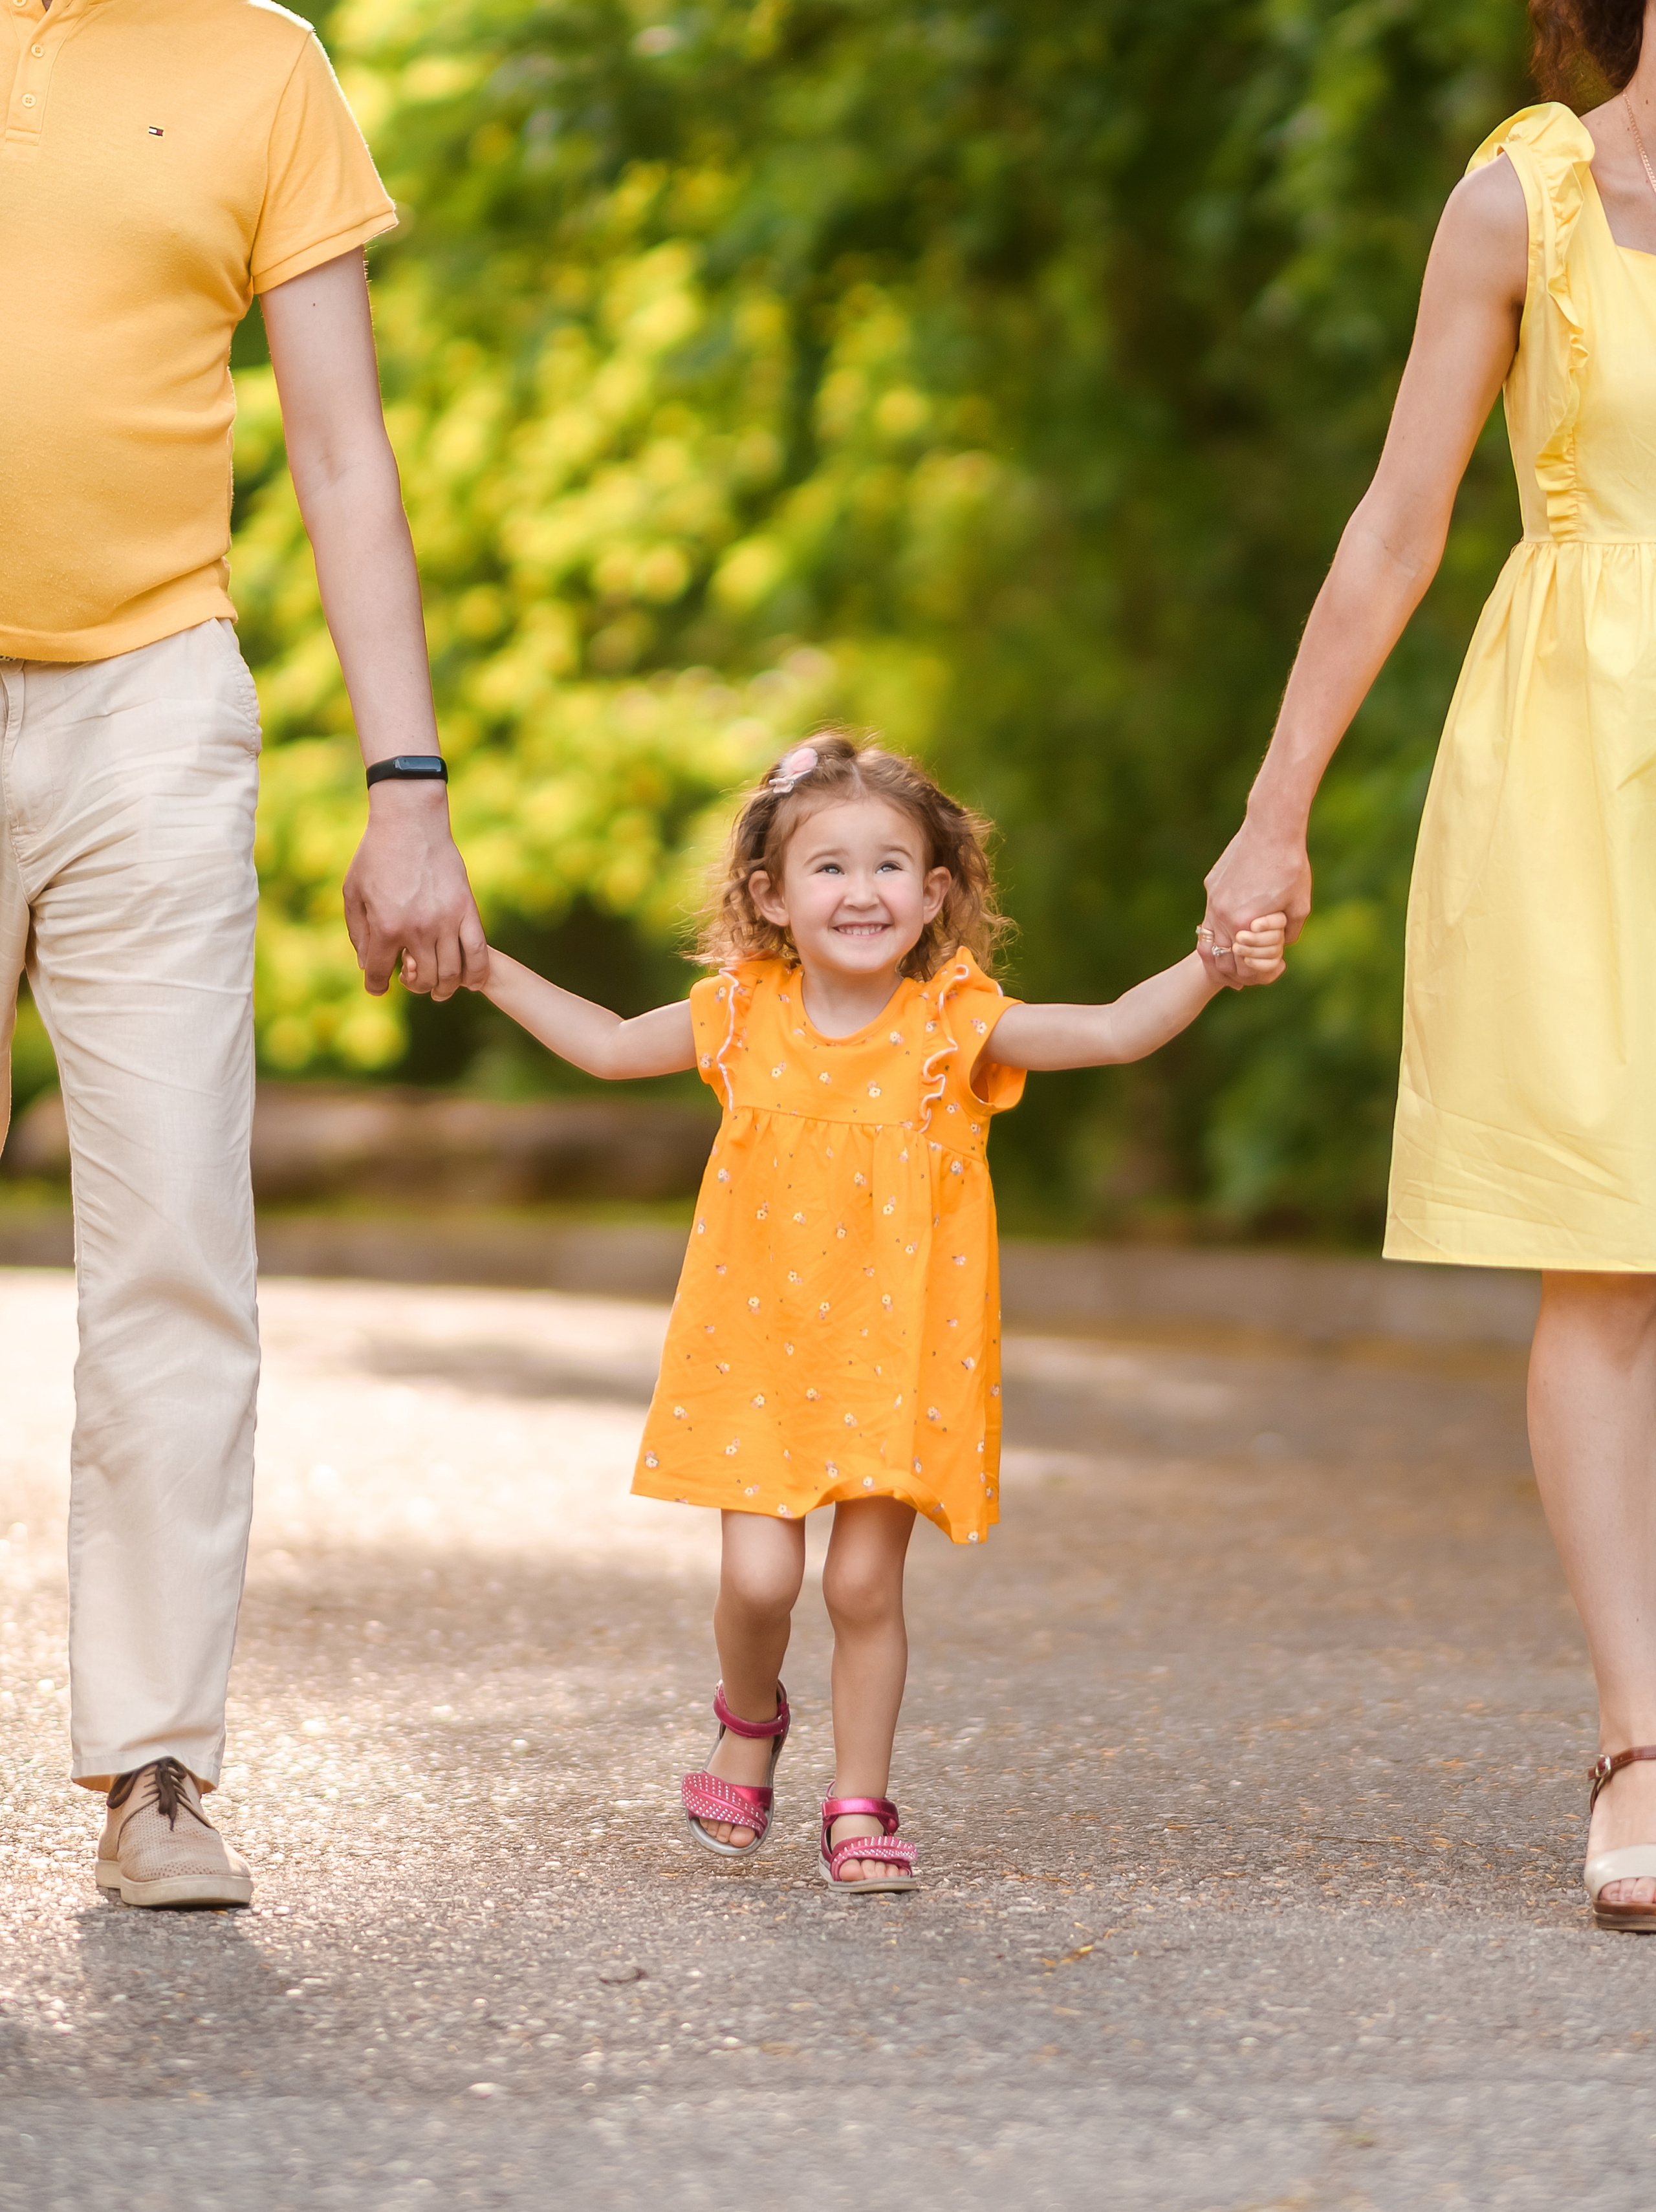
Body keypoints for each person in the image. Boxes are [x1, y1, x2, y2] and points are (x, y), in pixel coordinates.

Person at [470, 734, 1287, 1888]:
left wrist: (1212, 963)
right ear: (771, 897)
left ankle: (858, 1799)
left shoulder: (952, 1024)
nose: (863, 893)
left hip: (893, 1355)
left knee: (861, 1586)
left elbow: (1109, 1030)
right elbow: (604, 1046)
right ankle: (749, 1720)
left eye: (893, 866)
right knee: (759, 1582)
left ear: (937, 892)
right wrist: (481, 965)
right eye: (830, 869)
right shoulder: (741, 1014)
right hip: (754, 1348)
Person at [1, 0, 485, 1907]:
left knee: (178, 1242)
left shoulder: (263, 64)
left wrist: (408, 782)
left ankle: (157, 1769)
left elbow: (344, 460)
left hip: (149, 702)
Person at [1197, 1, 1656, 1931]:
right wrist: (1273, 807)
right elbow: (1398, 523)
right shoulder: (1524, 197)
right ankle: (1644, 1741)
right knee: (1612, 1243)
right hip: (1581, 753)